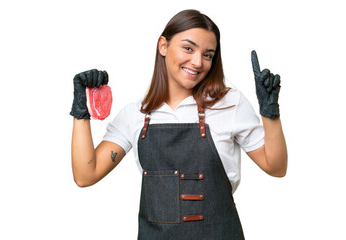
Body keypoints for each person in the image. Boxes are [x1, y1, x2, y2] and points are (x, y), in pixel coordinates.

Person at [70, 9, 287, 240]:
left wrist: (270, 112)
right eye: (188, 48)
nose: (197, 62)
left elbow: (276, 167)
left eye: (207, 54)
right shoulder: (136, 114)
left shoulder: (230, 104)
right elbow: (86, 175)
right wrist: (81, 111)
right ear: (163, 45)